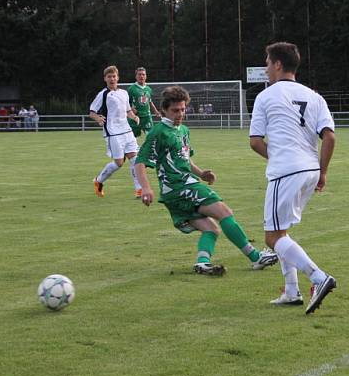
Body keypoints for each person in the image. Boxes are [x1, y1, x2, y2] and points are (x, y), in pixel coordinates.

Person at [134, 85, 278, 275]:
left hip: (179, 190)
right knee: (224, 212)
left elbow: (185, 159)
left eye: (183, 109)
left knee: (211, 229)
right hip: (180, 187)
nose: (180, 114)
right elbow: (140, 162)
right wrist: (145, 188)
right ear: (163, 110)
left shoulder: (183, 130)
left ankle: (202, 263)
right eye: (175, 110)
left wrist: (201, 174)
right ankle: (256, 257)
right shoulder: (158, 132)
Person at [249, 41, 337, 314]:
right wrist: (322, 171)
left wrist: (277, 157)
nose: (265, 68)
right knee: (282, 230)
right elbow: (330, 136)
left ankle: (319, 278)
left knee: (272, 236)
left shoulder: (266, 96)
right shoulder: (314, 96)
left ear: (277, 64)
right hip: (310, 169)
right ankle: (291, 291)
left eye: (267, 62)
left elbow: (254, 141)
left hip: (286, 171)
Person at [88, 66, 143, 198]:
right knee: (119, 163)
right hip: (113, 133)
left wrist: (134, 117)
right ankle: (98, 181)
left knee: (135, 159)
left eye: (114, 76)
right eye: (109, 77)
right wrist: (98, 118)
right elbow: (91, 112)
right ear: (105, 79)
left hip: (127, 131)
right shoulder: (103, 94)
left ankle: (139, 190)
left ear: (118, 78)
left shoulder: (124, 93)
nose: (112, 79)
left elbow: (128, 110)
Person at [127, 67, 161, 140]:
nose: (141, 76)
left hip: (147, 117)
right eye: (139, 74)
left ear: (146, 76)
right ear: (136, 76)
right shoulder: (131, 89)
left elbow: (150, 101)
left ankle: (150, 150)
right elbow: (126, 102)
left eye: (143, 74)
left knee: (152, 136)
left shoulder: (148, 89)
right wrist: (132, 108)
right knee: (132, 138)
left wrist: (156, 111)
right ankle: (134, 150)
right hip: (135, 117)